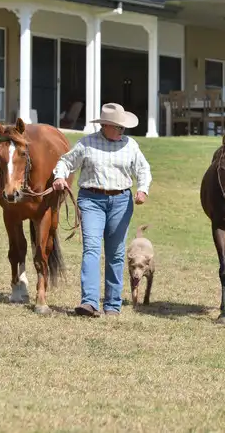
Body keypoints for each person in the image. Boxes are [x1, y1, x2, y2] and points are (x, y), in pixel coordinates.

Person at [52, 102, 152, 318]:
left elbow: (143, 169)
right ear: (105, 125)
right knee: (91, 249)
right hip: (91, 200)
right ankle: (88, 302)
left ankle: (113, 305)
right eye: (117, 126)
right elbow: (65, 162)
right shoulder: (87, 144)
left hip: (121, 201)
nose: (122, 130)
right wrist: (59, 176)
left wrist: (142, 189)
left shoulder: (131, 145)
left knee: (116, 254)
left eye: (123, 126)